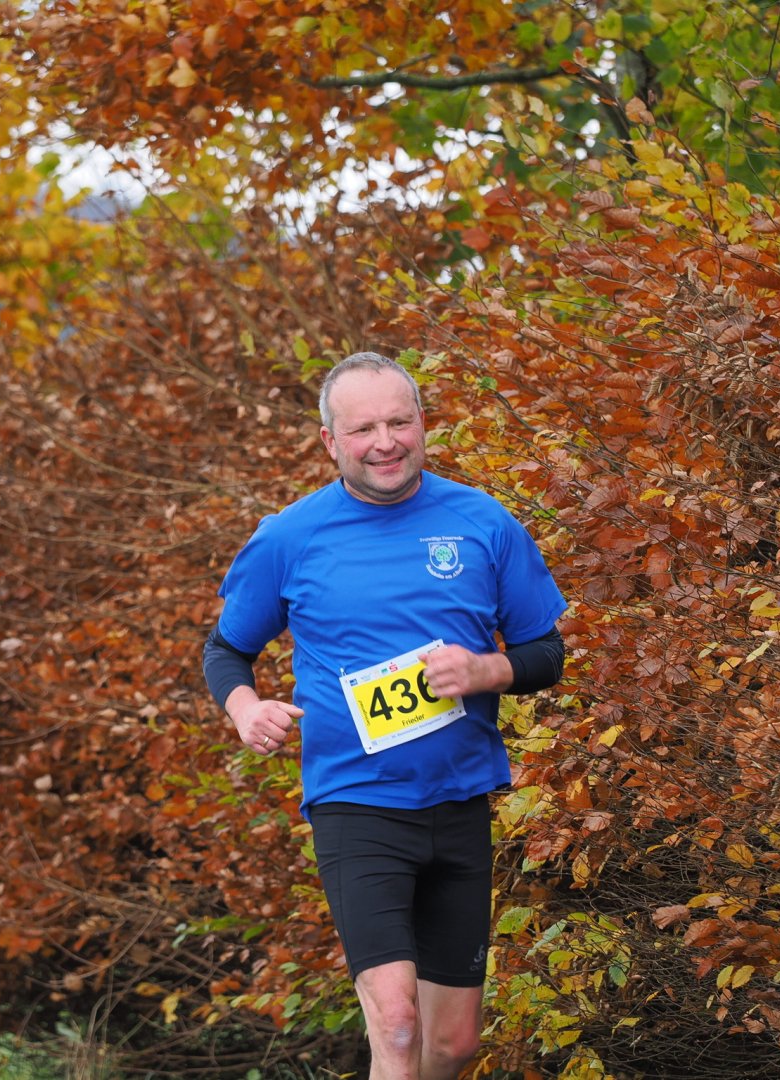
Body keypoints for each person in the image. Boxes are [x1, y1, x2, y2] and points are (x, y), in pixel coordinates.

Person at [203, 352, 567, 1080]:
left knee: (453, 1045)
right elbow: (226, 650)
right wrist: (245, 709)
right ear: (330, 441)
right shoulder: (290, 536)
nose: (385, 443)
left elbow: (546, 652)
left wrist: (486, 670)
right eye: (363, 429)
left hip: (460, 801)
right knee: (396, 1025)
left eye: (399, 422)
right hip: (357, 806)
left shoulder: (481, 521)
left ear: (422, 423)